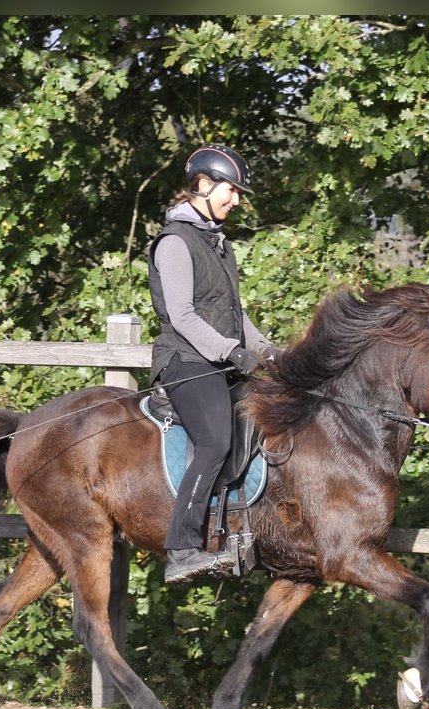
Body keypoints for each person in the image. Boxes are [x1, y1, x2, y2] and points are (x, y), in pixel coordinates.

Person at [148, 143, 276, 584]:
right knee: (215, 440)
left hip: (221, 359)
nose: (236, 200)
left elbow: (235, 312)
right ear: (203, 186)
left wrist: (266, 349)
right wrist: (231, 352)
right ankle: (182, 549)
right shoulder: (174, 243)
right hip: (186, 360)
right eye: (231, 190)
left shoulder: (219, 245)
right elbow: (182, 316)